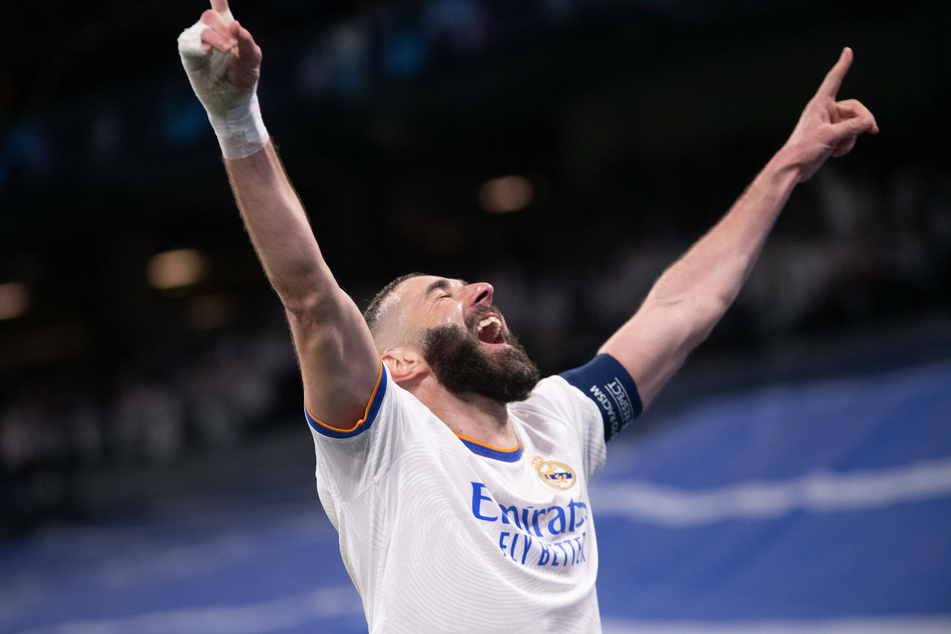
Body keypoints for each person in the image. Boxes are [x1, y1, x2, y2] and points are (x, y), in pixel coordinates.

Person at [178, 2, 878, 631]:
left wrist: (788, 164)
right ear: (398, 363)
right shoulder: (381, 443)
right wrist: (235, 118)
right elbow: (307, 293)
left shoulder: (556, 422)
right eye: (441, 293)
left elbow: (683, 305)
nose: (481, 289)